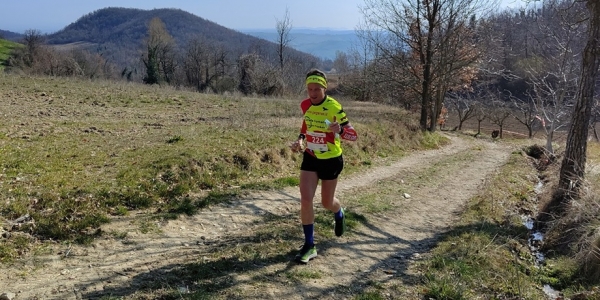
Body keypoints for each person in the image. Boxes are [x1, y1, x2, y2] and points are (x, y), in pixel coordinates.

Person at [290, 69, 358, 263]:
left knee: (326, 202)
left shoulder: (334, 107)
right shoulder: (305, 105)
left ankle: (339, 211)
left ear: (324, 88)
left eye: (317, 89)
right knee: (305, 198)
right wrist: (300, 141)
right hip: (311, 156)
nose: (312, 93)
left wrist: (341, 130)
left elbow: (353, 135)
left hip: (331, 159)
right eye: (309, 89)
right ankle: (309, 245)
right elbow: (305, 128)